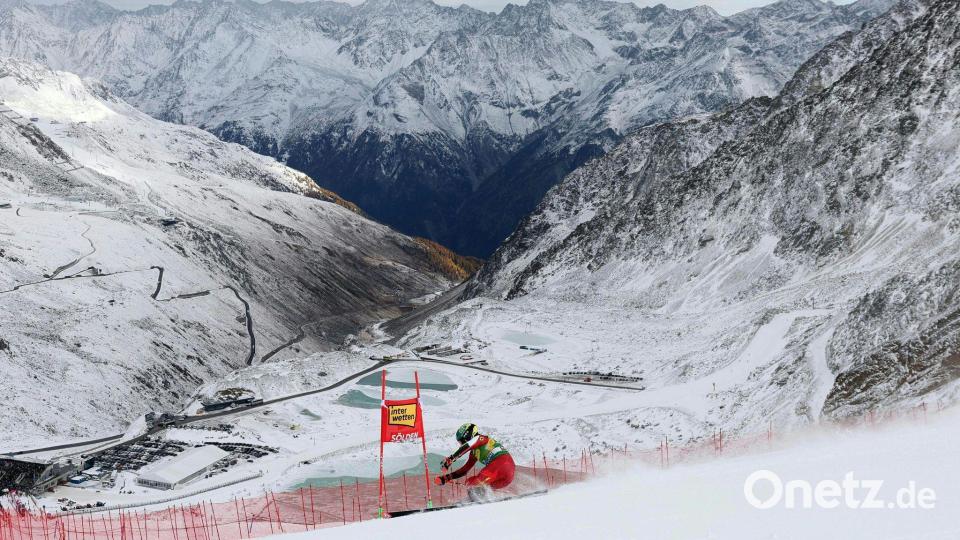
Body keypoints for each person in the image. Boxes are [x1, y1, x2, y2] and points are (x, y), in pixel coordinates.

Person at [434, 423, 515, 500]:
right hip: (507, 476)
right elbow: (464, 470)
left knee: (473, 484)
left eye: (461, 441)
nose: (461, 444)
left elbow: (467, 446)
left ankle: (475, 501)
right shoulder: (474, 452)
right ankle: (485, 502)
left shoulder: (481, 438)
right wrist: (446, 478)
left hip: (501, 463)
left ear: (468, 436)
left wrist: (450, 459)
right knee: (478, 486)